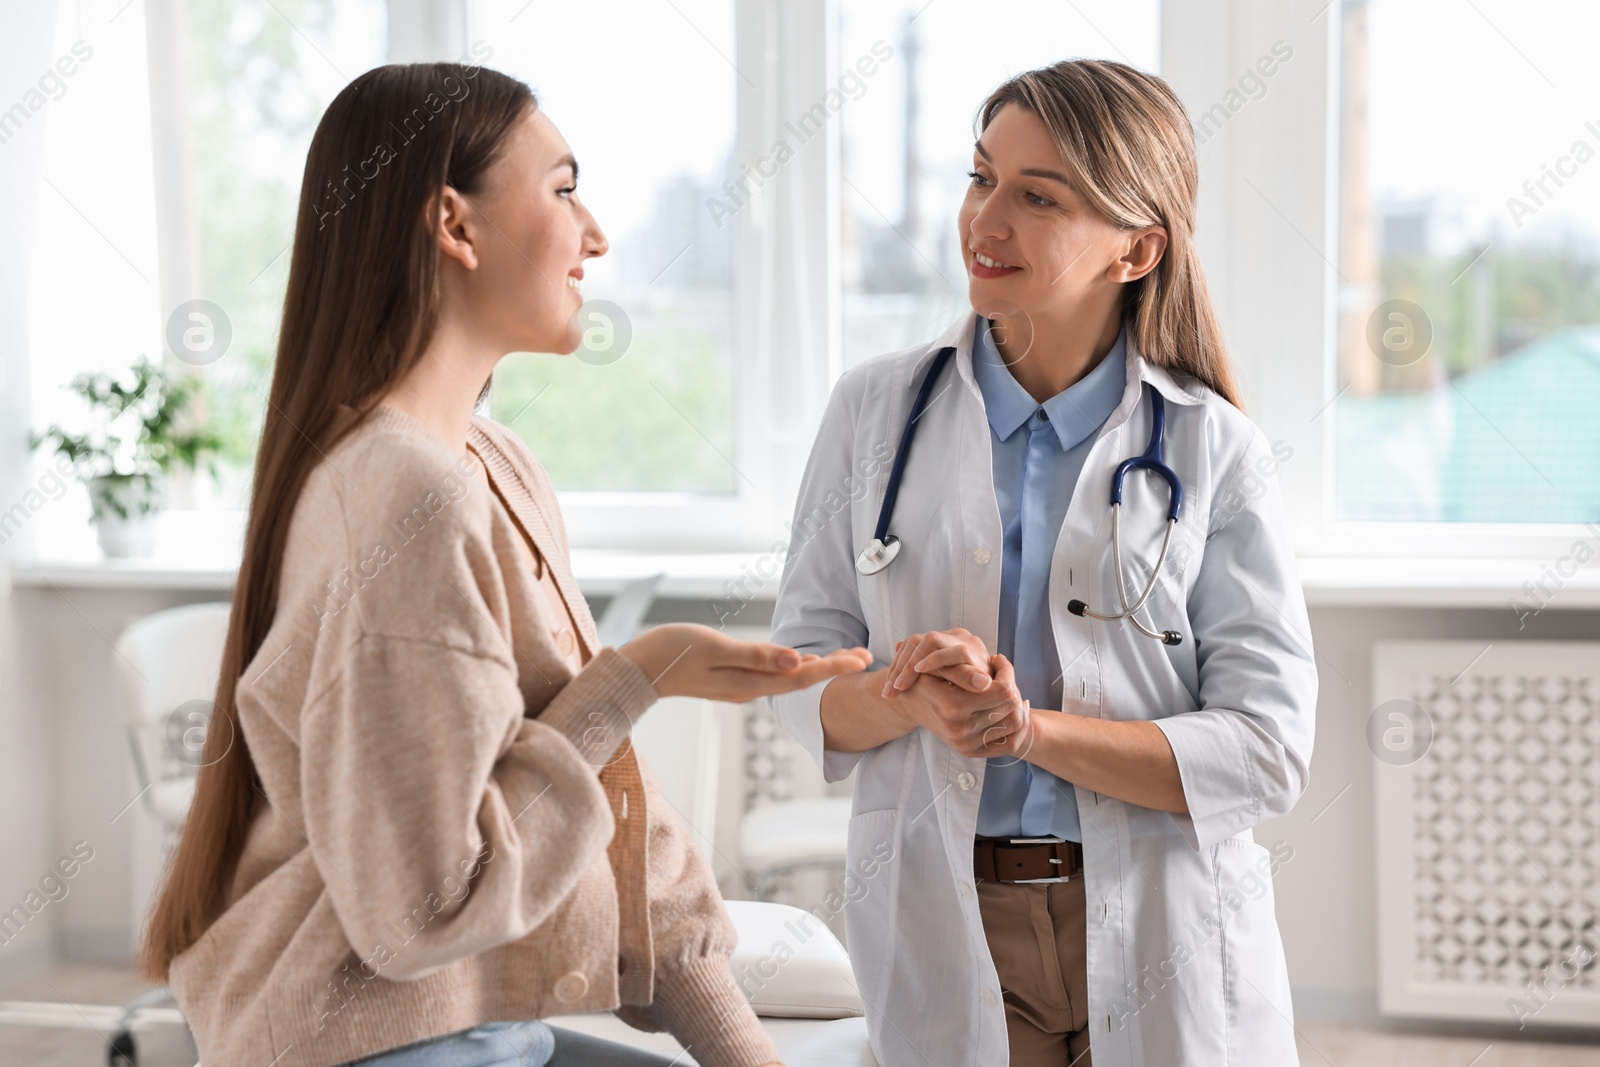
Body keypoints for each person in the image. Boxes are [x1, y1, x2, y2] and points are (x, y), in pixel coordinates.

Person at [140, 61, 871, 1067]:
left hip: (478, 1025)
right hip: (374, 1036)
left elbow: (612, 799)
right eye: (564, 189)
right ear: (455, 224)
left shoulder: (491, 464)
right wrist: (635, 675)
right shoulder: (404, 495)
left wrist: (739, 1044)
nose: (597, 234)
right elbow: (425, 902)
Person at [769, 59, 1317, 1067]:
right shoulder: (872, 413)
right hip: (947, 906)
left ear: (1136, 248)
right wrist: (909, 698)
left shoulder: (1212, 449)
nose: (987, 219)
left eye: (1038, 196)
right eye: (981, 178)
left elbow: (1267, 747)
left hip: (1159, 914)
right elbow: (798, 680)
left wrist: (1029, 732)